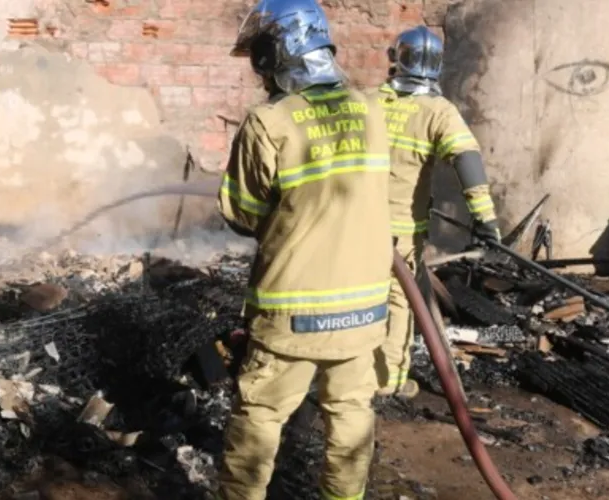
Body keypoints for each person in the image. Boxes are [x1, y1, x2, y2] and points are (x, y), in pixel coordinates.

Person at [214, 1, 394, 498]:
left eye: (258, 55)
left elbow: (242, 214)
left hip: (293, 310)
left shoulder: (268, 122)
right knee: (352, 415)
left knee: (261, 415)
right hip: (365, 307)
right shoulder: (372, 109)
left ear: (276, 52)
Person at [371, 26, 501, 399]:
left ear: (396, 57)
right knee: (399, 301)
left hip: (354, 225)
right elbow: (467, 159)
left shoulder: (366, 102)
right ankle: (388, 381)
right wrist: (485, 219)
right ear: (437, 66)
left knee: (356, 296)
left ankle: (347, 374)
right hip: (399, 232)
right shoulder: (438, 111)